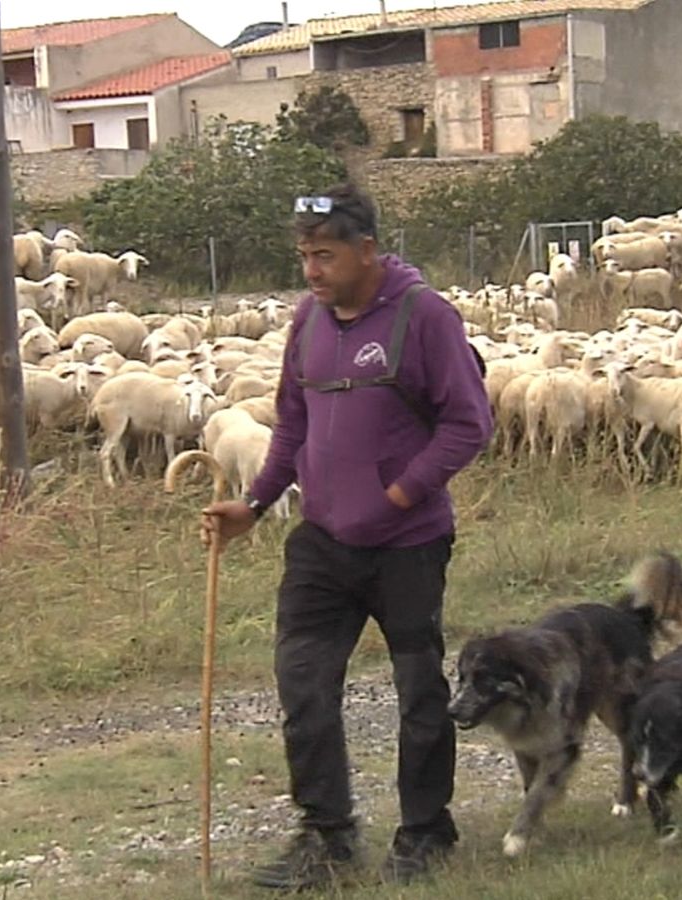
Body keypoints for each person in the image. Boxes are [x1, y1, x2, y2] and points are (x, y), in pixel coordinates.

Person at [199, 182, 493, 889]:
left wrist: (401, 491)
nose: (312, 271)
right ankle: (326, 835)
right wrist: (257, 501)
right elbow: (292, 421)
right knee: (303, 682)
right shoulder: (310, 320)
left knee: (419, 688)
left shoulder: (425, 318)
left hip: (408, 542)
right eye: (304, 256)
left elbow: (469, 423)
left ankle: (426, 831)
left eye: (324, 255)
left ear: (367, 250)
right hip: (322, 540)